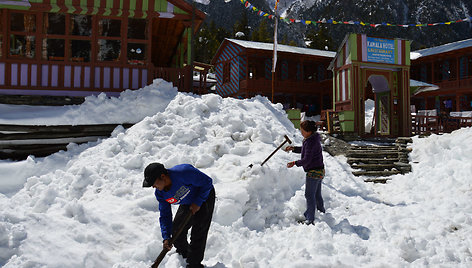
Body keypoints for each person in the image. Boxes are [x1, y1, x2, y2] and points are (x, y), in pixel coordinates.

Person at [143, 162, 215, 268]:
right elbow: (165, 214)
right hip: (187, 202)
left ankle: (194, 264)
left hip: (204, 195)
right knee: (176, 231)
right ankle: (184, 255)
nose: (153, 187)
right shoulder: (161, 193)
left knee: (198, 232)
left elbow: (207, 182)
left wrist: (198, 202)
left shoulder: (184, 172)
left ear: (163, 176)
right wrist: (166, 237)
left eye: (154, 183)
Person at [284, 120, 325, 225]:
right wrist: (293, 148)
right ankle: (322, 213)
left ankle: (310, 219)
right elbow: (305, 150)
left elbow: (307, 159)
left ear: (309, 131)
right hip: (319, 170)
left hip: (313, 172)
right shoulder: (312, 139)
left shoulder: (311, 141)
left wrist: (294, 163)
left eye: (302, 130)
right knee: (316, 194)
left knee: (309, 195)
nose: (301, 132)